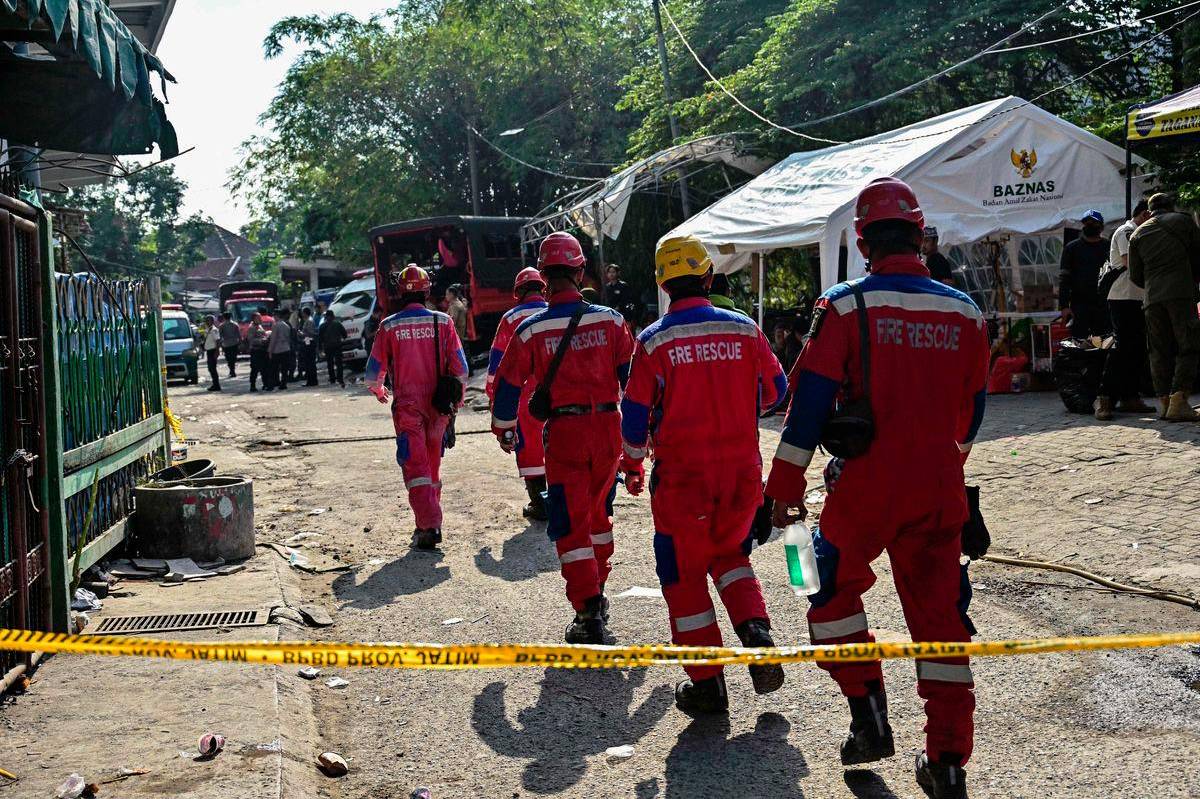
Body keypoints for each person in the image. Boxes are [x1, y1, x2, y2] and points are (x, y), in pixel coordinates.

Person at [766, 177, 989, 799]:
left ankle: (866, 711)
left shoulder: (844, 305)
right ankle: (947, 762)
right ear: (920, 235)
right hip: (940, 488)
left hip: (863, 488)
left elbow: (807, 407)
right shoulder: (964, 311)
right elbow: (973, 413)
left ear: (863, 243)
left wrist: (784, 488)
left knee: (813, 577)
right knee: (942, 624)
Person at [619, 235, 788, 715]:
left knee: (683, 577)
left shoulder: (652, 341)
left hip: (682, 484)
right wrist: (737, 407)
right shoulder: (746, 330)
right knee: (732, 556)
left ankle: (708, 684)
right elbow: (777, 393)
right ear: (708, 278)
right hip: (741, 478)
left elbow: (633, 418)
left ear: (663, 284)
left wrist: (631, 463)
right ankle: (756, 632)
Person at [491, 232, 634, 644]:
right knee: (598, 516)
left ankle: (588, 609)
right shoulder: (610, 320)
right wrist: (642, 438)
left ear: (545, 276)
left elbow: (508, 387)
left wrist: (504, 428)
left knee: (570, 524)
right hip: (609, 429)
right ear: (580, 271)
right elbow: (633, 381)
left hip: (565, 435)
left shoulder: (531, 329)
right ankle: (598, 587)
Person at [366, 265, 468, 550]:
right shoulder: (443, 322)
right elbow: (461, 370)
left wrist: (379, 390)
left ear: (400, 292)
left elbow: (373, 374)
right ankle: (427, 523)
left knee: (416, 467)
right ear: (426, 291)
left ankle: (429, 524)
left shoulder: (389, 325)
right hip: (438, 406)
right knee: (432, 467)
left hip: (408, 407)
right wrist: (454, 404)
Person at [1129, 192, 1200, 421]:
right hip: (1181, 293)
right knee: (1188, 345)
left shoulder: (1137, 233)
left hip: (1152, 299)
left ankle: (1165, 402)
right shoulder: (1183, 221)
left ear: (1149, 211)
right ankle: (1179, 399)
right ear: (1170, 207)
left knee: (1159, 351)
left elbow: (1135, 275)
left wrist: (1153, 285)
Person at [487, 267, 550, 520]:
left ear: (519, 292)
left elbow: (496, 365)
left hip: (523, 396)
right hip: (559, 393)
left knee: (530, 448)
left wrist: (494, 396)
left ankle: (539, 503)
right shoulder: (556, 311)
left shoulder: (511, 319)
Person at [1095, 201, 1154, 420]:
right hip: (1122, 297)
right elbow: (1133, 263)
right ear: (1145, 214)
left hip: (1136, 296)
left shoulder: (1139, 233)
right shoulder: (1127, 231)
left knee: (1137, 348)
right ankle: (1104, 396)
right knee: (1122, 347)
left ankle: (1130, 396)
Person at [1058, 210, 1110, 339]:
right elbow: (1064, 278)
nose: (1090, 225)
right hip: (1080, 305)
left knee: (1104, 341)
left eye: (1094, 223)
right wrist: (1064, 306)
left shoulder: (1109, 247)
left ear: (1101, 226)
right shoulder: (1071, 248)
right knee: (1080, 343)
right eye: (1087, 223)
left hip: (1104, 305)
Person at [446, 285, 472, 376]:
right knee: (465, 352)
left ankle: (465, 372)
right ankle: (470, 371)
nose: (446, 297)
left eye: (447, 294)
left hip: (457, 333)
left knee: (460, 354)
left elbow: (452, 320)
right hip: (462, 332)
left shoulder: (454, 306)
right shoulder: (459, 303)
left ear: (452, 295)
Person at [319, 310, 347, 387]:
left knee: (330, 363)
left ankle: (332, 379)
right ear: (333, 316)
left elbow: (320, 339)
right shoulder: (338, 324)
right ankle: (340, 379)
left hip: (328, 347)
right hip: (337, 346)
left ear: (326, 317)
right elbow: (345, 335)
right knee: (339, 363)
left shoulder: (322, 326)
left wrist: (320, 349)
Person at [267, 312, 292, 391]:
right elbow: (288, 338)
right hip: (286, 348)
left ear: (277, 316)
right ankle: (283, 384)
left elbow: (273, 339)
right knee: (284, 369)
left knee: (273, 369)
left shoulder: (276, 325)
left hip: (277, 350)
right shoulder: (286, 325)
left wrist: (270, 351)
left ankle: (271, 385)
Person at [247, 313, 270, 392]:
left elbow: (263, 334)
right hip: (256, 350)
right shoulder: (251, 327)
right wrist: (261, 340)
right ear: (253, 319)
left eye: (260, 318)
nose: (260, 319)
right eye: (258, 318)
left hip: (262, 350)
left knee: (265, 368)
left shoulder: (260, 326)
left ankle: (265, 384)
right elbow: (251, 339)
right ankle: (252, 385)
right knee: (255, 369)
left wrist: (266, 336)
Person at [299, 307, 320, 387]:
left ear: (305, 313)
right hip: (307, 342)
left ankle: (312, 381)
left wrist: (302, 334)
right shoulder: (307, 320)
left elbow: (311, 333)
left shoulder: (309, 321)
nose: (301, 314)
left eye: (302, 312)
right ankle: (310, 380)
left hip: (309, 343)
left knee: (310, 363)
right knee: (308, 363)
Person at [218, 312, 241, 377]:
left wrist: (220, 345)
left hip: (226, 344)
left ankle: (232, 370)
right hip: (234, 343)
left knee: (228, 358)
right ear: (230, 317)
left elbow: (220, 336)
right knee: (233, 357)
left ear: (224, 317)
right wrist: (240, 342)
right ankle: (232, 370)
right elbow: (238, 334)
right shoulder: (235, 324)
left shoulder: (221, 325)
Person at [203, 314, 221, 392]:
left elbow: (217, 341)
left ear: (212, 321)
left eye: (208, 320)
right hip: (209, 351)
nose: (207, 322)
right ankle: (215, 384)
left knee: (213, 369)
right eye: (206, 320)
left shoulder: (214, 330)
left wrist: (217, 352)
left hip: (213, 351)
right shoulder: (207, 329)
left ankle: (216, 385)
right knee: (210, 369)